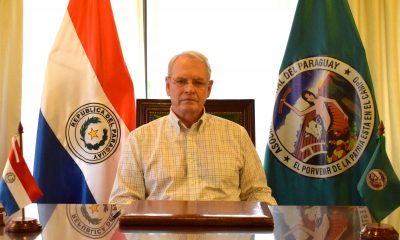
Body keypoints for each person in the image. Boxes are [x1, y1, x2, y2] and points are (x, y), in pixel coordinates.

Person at [109, 51, 276, 205]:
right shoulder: (139, 139)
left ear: (208, 88)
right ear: (168, 86)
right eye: (181, 81)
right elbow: (123, 200)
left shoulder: (237, 135)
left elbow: (257, 193)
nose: (189, 89)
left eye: (198, 82)